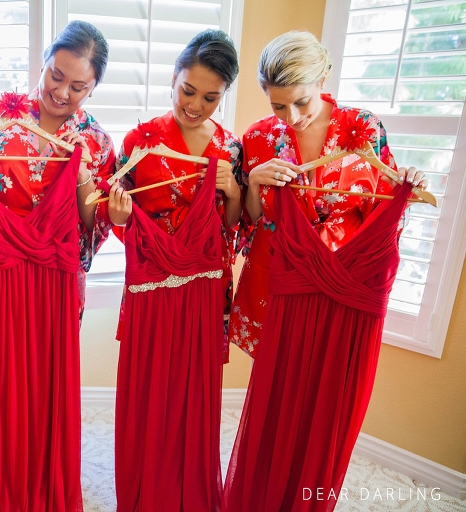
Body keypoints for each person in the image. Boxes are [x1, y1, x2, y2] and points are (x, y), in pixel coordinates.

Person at [222, 31, 428, 512]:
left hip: (339, 290)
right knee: (278, 402)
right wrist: (253, 181)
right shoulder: (257, 138)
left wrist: (409, 186)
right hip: (282, 286)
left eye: (301, 102)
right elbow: (249, 221)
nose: (290, 118)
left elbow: (383, 204)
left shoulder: (362, 127)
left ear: (323, 77)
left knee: (325, 406)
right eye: (277, 106)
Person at [0, 20, 114, 512]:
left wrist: (83, 186)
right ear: (42, 64)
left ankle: (40, 485)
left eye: (77, 85)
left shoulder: (95, 140)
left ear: (94, 85)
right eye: (55, 75)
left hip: (49, 280)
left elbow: (95, 221)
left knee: (42, 389)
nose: (61, 91)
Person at [106, 29, 242, 512]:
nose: (196, 105)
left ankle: (191, 494)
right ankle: (144, 492)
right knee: (149, 395)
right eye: (188, 91)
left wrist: (234, 191)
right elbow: (119, 219)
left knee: (194, 397)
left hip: (204, 289)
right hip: (152, 286)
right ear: (174, 79)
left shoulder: (229, 147)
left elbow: (233, 228)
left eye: (211, 97)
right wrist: (119, 217)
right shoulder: (139, 142)